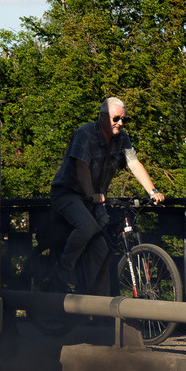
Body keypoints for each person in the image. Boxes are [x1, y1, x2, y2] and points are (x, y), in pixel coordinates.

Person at [48, 97, 165, 292]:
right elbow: (81, 165)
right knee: (87, 226)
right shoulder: (85, 134)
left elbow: (134, 164)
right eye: (116, 118)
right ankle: (64, 268)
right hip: (67, 193)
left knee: (103, 249)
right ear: (102, 117)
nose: (120, 123)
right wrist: (90, 195)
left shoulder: (122, 138)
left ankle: (90, 297)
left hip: (94, 198)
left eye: (123, 119)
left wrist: (153, 191)